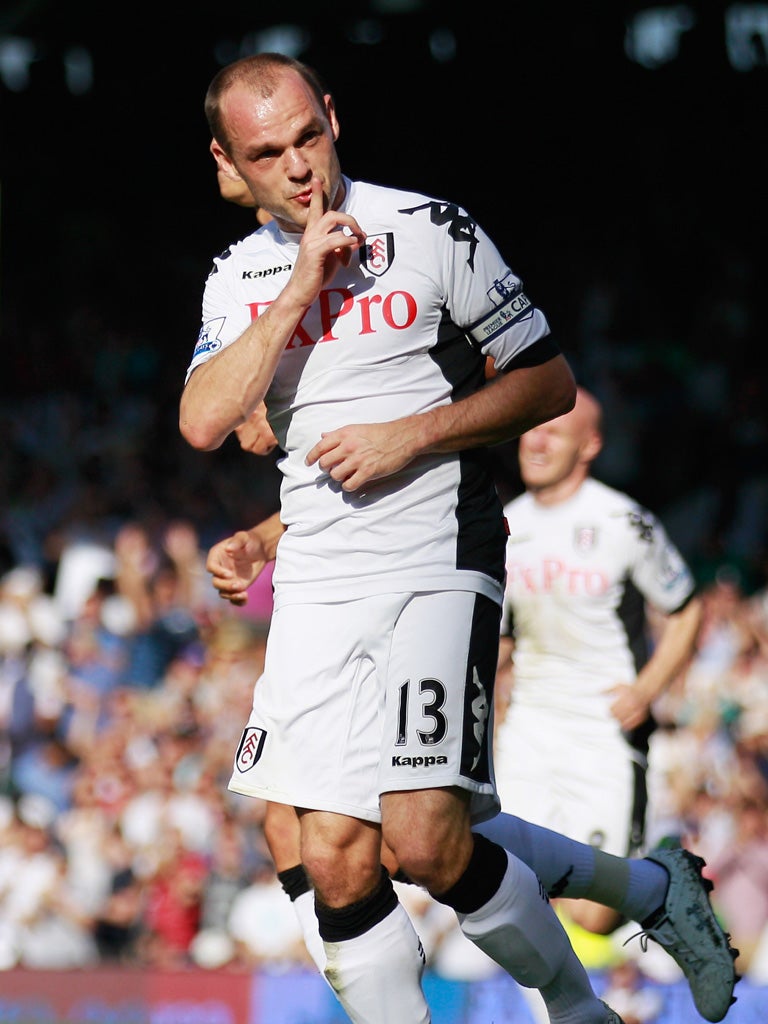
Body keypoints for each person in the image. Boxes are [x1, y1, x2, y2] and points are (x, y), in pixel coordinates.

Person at [181, 52, 736, 1024]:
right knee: (337, 852)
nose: (301, 166)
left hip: (438, 557)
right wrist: (294, 292)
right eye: (270, 153)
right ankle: (652, 894)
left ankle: (579, 1009)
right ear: (230, 162)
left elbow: (547, 382)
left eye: (310, 135)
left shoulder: (429, 229)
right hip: (318, 580)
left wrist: (413, 432)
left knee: (427, 840)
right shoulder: (238, 279)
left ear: (335, 118)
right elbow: (202, 418)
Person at [491, 386, 704, 936]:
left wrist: (646, 690)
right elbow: (504, 636)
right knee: (510, 886)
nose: (535, 441)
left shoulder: (623, 521)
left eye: (553, 431)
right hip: (531, 727)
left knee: (596, 914)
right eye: (531, 426)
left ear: (589, 445)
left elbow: (685, 609)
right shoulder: (504, 527)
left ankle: (665, 881)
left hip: (602, 729)